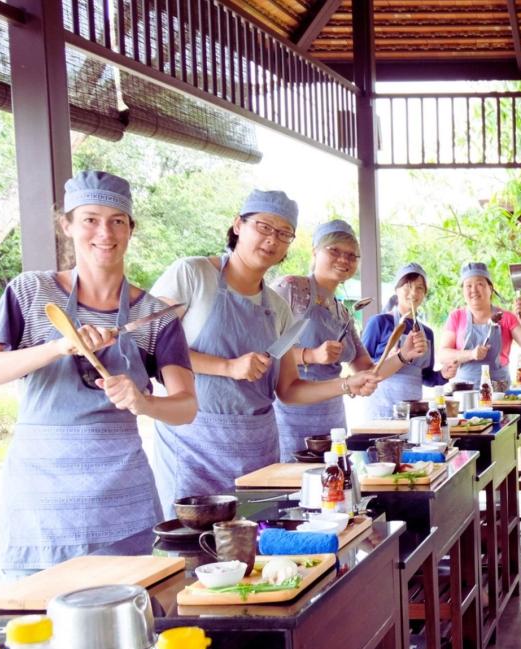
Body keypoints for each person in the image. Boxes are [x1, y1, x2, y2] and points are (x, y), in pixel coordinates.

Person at [0, 171, 197, 575]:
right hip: (42, 500)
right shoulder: (31, 292)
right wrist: (57, 346)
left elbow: (186, 407)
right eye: (90, 219)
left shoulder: (155, 316)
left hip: (123, 497)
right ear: (66, 225)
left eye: (117, 221)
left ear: (130, 229)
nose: (105, 232)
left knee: (128, 603)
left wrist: (143, 402)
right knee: (39, 607)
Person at [149, 190, 378, 509]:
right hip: (193, 446)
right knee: (198, 538)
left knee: (261, 536)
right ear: (238, 225)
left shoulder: (278, 307)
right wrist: (227, 367)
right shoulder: (192, 274)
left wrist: (346, 384)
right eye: (264, 227)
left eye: (284, 233)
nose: (272, 240)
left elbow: (289, 389)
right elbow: (150, 345)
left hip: (258, 449)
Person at [271, 220, 379, 460]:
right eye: (334, 250)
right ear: (314, 251)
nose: (344, 259)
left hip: (332, 415)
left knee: (334, 477)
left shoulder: (342, 312)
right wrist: (310, 355)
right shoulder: (290, 288)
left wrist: (403, 355)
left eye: (351, 255)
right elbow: (262, 349)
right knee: (293, 478)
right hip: (290, 413)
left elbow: (366, 368)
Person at [361, 262, 455, 418]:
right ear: (396, 290)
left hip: (414, 412)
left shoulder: (427, 333)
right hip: (382, 411)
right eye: (407, 286)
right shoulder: (379, 323)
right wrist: (390, 359)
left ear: (424, 293)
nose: (413, 293)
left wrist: (443, 375)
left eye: (419, 288)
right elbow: (361, 370)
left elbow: (426, 377)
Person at [436, 263, 521, 392]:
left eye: (479, 284)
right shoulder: (456, 317)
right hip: (464, 392)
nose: (474, 290)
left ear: (490, 288)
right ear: (463, 291)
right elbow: (442, 355)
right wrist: (471, 354)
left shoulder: (506, 317)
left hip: (499, 392)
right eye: (468, 285)